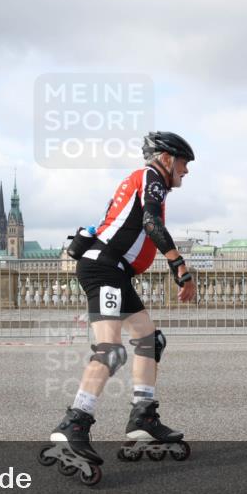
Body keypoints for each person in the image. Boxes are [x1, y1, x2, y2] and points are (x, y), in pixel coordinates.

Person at [50, 131, 197, 469]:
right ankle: (75, 422)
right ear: (166, 158)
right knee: (112, 350)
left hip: (114, 272)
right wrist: (179, 265)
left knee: (150, 340)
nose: (186, 171)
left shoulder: (144, 180)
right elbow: (151, 222)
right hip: (104, 270)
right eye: (184, 163)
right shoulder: (151, 178)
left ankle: (143, 418)